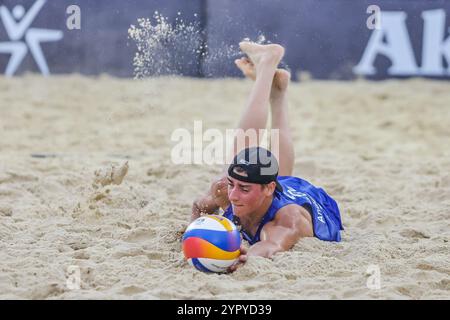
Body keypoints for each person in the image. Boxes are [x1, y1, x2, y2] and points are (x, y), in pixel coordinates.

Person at [190, 41, 343, 272]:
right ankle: (278, 91)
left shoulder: (288, 220)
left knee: (246, 152)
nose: (233, 195)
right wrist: (194, 229)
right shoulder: (226, 190)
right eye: (233, 185)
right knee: (236, 165)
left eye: (243, 189)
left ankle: (267, 66)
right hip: (275, 188)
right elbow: (198, 207)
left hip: (309, 202)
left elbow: (271, 246)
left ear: (269, 189)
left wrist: (246, 255)